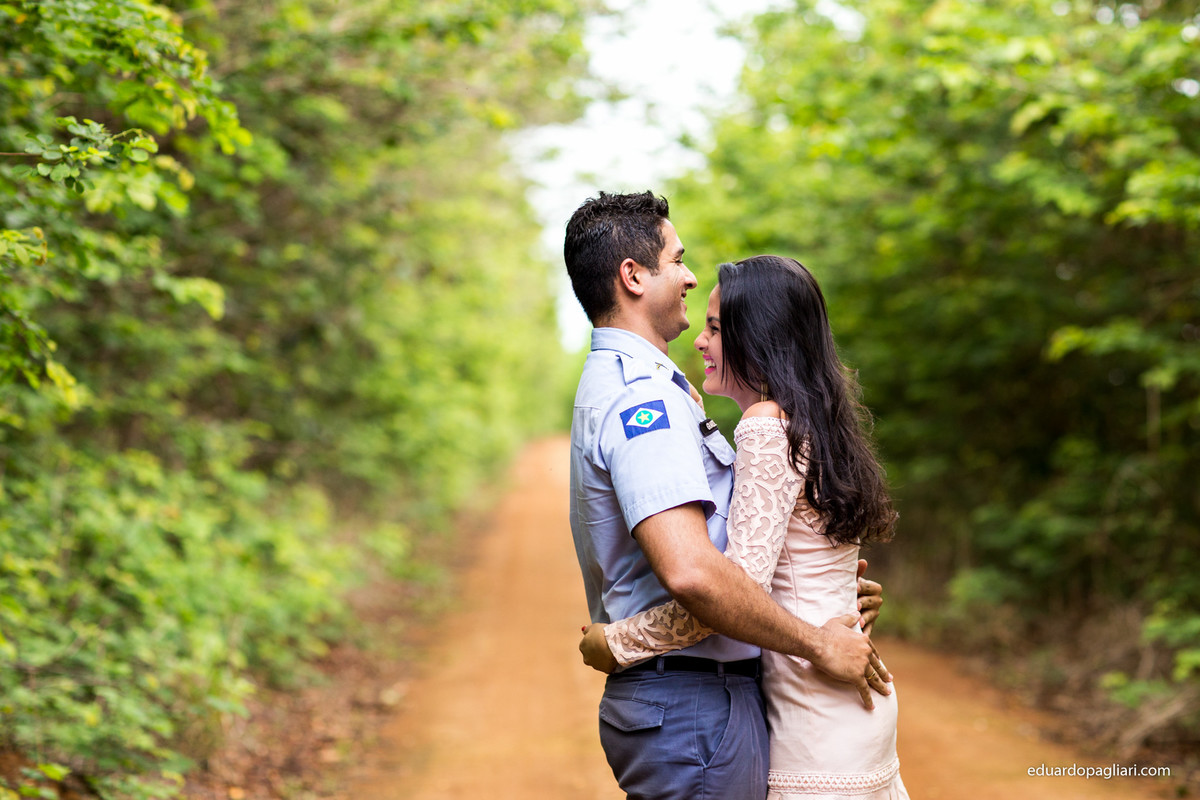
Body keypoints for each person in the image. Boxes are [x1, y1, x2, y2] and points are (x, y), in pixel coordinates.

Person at [563, 191, 890, 800]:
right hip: (693, 699)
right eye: (676, 259)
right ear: (632, 277)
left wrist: (827, 591)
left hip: (724, 695)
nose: (688, 276)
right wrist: (816, 633)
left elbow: (755, 554)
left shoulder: (658, 391)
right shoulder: (645, 399)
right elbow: (695, 572)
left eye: (718, 327)